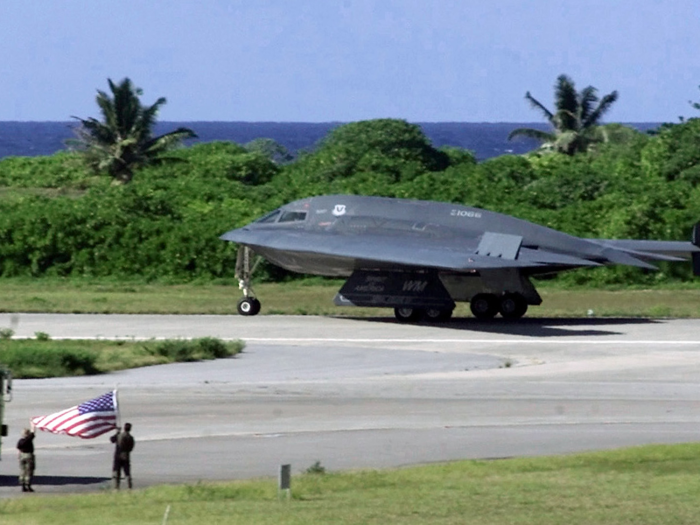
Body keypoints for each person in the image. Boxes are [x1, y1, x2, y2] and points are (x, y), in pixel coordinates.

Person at [110, 422, 135, 489]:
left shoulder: (119, 435)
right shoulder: (131, 438)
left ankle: (116, 487)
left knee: (116, 473)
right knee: (127, 473)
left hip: (118, 456)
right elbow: (131, 447)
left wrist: (117, 432)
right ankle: (129, 487)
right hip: (126, 456)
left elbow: (112, 439)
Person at [16, 424, 36, 492]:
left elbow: (18, 448)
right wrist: (33, 425)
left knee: (22, 470)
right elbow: (33, 432)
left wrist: (19, 456)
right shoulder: (28, 440)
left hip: (21, 455)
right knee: (29, 471)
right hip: (28, 455)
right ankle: (28, 485)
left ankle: (22, 484)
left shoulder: (20, 441)